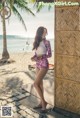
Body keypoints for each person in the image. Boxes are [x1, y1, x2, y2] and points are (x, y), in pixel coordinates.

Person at [31, 26, 52, 113]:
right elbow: (37, 54)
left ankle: (44, 103)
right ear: (40, 33)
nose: (45, 33)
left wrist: (42, 56)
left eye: (46, 32)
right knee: (40, 85)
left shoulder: (47, 42)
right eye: (44, 32)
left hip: (44, 64)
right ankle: (41, 103)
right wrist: (34, 57)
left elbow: (49, 54)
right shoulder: (36, 42)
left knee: (35, 84)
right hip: (38, 64)